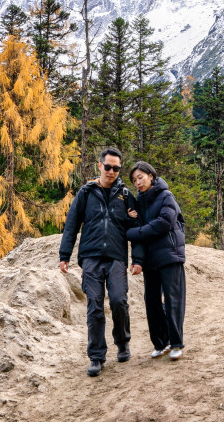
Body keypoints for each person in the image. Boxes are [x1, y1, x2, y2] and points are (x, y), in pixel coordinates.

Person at [59, 146, 144, 377]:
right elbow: (71, 225)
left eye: (117, 168)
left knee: (118, 301)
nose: (112, 171)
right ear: (100, 166)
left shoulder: (126, 196)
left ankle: (123, 342)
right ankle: (96, 357)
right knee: (94, 305)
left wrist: (137, 259)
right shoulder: (86, 193)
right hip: (91, 259)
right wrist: (64, 255)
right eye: (108, 167)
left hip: (116, 257)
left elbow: (135, 229)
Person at [125, 161, 186, 362]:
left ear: (151, 176)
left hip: (170, 254)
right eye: (134, 180)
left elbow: (164, 223)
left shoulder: (166, 196)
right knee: (151, 301)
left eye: (140, 177)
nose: (138, 182)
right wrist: (138, 260)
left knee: (172, 299)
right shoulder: (138, 203)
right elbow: (139, 234)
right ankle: (161, 343)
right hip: (151, 258)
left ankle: (176, 343)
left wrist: (136, 231)